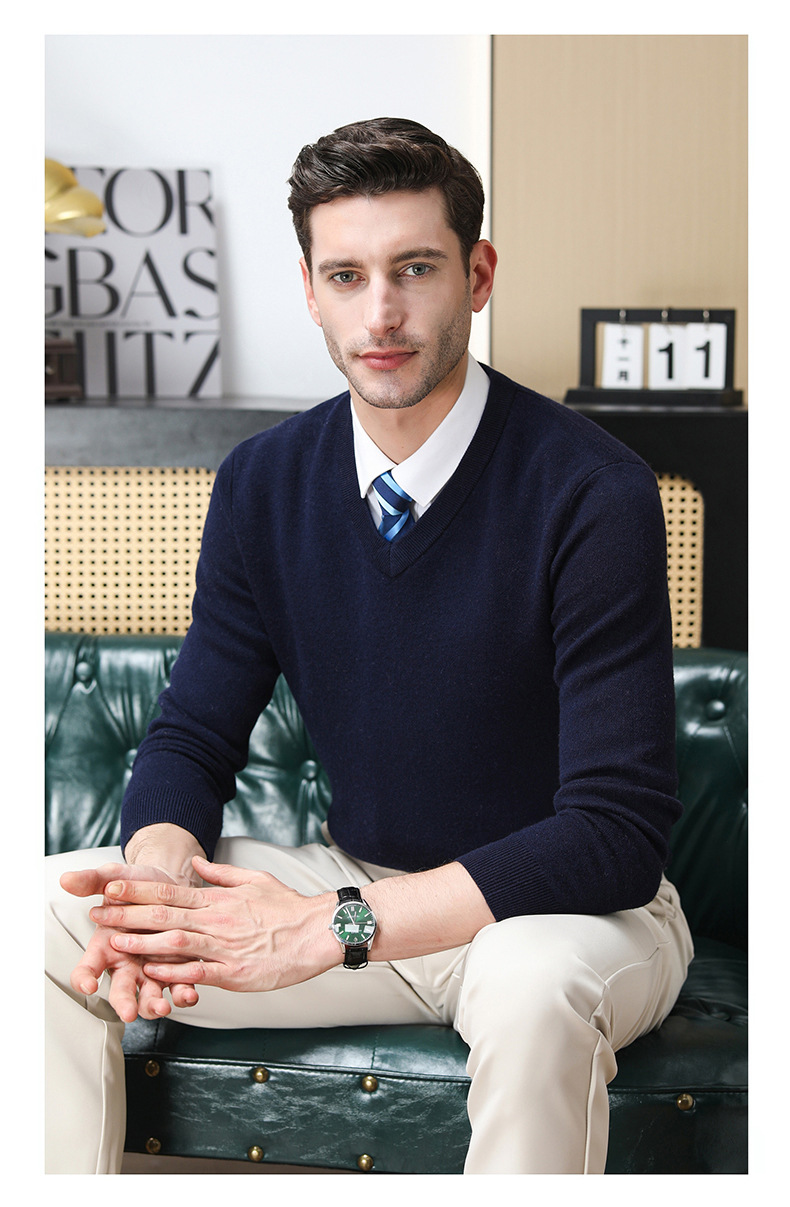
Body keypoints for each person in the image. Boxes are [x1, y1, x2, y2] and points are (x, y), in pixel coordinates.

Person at [45, 117, 694, 1175]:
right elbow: (192, 734)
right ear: (310, 290)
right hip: (356, 883)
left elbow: (614, 831)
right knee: (36, 917)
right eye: (346, 276)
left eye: (415, 269)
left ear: (478, 276)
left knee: (534, 988)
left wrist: (329, 926)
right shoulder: (261, 483)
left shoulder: (594, 491)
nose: (380, 313)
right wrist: (155, 886)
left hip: (562, 916)